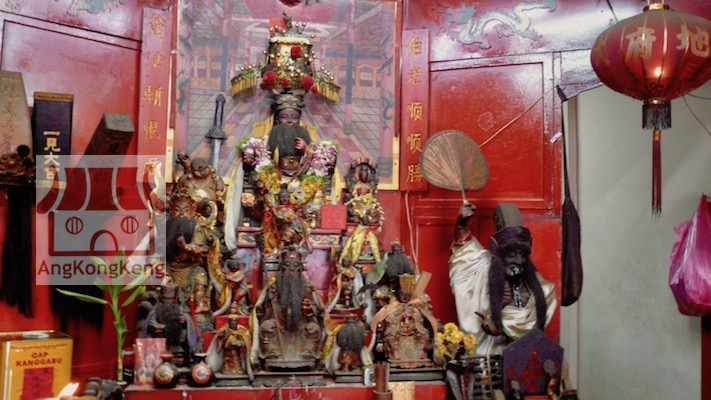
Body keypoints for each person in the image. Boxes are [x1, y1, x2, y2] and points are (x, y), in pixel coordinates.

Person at [449, 203, 557, 355]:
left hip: (523, 359)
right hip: (487, 356)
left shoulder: (544, 290)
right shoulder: (484, 267)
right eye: (511, 255)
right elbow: (466, 255)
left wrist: (502, 324)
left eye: (523, 255)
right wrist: (461, 226)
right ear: (496, 251)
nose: (519, 261)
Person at [250, 246, 326, 370]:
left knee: (313, 329)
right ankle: (273, 353)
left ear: (300, 267)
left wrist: (309, 310)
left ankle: (306, 353)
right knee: (267, 327)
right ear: (281, 266)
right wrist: (269, 299)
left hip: (301, 324)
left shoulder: (307, 287)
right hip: (278, 322)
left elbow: (318, 309)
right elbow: (260, 308)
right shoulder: (273, 285)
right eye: (287, 264)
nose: (291, 268)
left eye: (295, 265)